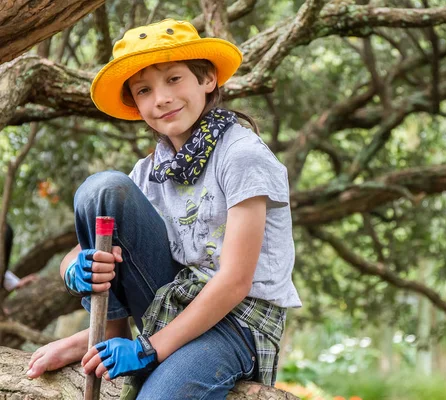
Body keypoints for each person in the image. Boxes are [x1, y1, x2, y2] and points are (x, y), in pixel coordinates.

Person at [26, 18, 301, 399]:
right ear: (135, 105)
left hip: (236, 322)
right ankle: (109, 328)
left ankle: (148, 349)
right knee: (103, 189)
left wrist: (148, 349)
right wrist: (76, 269)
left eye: (174, 79)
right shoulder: (148, 170)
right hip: (170, 302)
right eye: (144, 90)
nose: (162, 98)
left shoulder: (242, 156)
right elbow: (84, 247)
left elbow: (236, 281)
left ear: (206, 79)